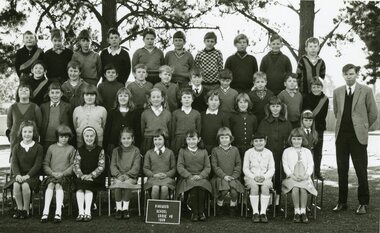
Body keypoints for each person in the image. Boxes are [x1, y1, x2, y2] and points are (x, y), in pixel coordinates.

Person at [332, 64, 378, 215]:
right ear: (343, 75)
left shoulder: (366, 90)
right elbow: (337, 112)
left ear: (356, 74)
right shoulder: (337, 91)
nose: (348, 76)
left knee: (360, 170)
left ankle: (363, 203)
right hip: (341, 137)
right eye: (346, 74)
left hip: (358, 137)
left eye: (351, 74)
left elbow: (373, 113)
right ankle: (342, 202)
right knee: (342, 170)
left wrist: (363, 127)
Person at [257, 96, 292, 211]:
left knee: (279, 177)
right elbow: (261, 139)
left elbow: (289, 140)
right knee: (268, 177)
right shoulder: (264, 122)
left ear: (281, 107)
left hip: (281, 155)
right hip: (267, 155)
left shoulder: (286, 122)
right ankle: (268, 201)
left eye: (277, 106)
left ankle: (277, 203)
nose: (275, 109)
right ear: (269, 108)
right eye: (273, 106)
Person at [41, 125, 75, 223]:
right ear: (58, 137)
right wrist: (51, 172)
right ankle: (45, 211)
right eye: (61, 137)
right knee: (51, 184)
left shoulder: (71, 149)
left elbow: (73, 165)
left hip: (65, 177)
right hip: (52, 175)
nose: (64, 139)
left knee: (59, 185)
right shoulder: (51, 148)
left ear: (69, 137)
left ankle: (58, 212)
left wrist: (63, 173)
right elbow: (45, 163)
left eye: (66, 137)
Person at [282, 128, 317, 223]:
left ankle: (303, 212)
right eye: (294, 139)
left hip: (304, 177)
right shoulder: (287, 151)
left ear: (303, 140)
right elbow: (285, 165)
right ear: (291, 139)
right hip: (291, 178)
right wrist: (291, 175)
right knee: (296, 188)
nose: (296, 141)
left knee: (303, 188)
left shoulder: (307, 151)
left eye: (299, 139)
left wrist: (306, 176)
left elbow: (311, 165)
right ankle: (297, 212)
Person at [176, 130, 212, 222]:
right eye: (189, 139)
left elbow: (207, 167)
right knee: (193, 187)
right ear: (186, 140)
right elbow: (180, 166)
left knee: (201, 187)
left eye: (193, 139)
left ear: (199, 139)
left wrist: (201, 175)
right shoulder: (182, 151)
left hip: (201, 177)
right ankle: (194, 213)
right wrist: (189, 175)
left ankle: (201, 212)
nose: (191, 141)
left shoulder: (203, 151)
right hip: (187, 177)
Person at [10, 120, 43, 219]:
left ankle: (26, 210)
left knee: (25, 185)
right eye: (25, 132)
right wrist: (18, 175)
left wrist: (27, 176)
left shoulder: (38, 147)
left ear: (34, 133)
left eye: (30, 132)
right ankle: (19, 209)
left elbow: (37, 165)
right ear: (21, 132)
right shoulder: (16, 147)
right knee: (16, 184)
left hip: (32, 176)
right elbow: (14, 163)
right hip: (19, 175)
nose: (27, 134)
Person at [73, 126, 105, 222]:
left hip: (95, 178)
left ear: (95, 137)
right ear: (83, 137)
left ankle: (87, 212)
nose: (89, 138)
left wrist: (91, 175)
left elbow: (101, 166)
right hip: (81, 177)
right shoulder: (79, 150)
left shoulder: (100, 150)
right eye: (87, 136)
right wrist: (82, 175)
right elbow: (76, 165)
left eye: (92, 136)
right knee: (80, 187)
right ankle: (81, 212)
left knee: (88, 187)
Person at [109, 127, 141, 219]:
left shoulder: (136, 150)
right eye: (124, 138)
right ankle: (119, 209)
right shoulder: (116, 151)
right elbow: (113, 166)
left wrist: (127, 175)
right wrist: (118, 175)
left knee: (126, 184)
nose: (126, 140)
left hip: (130, 177)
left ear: (132, 139)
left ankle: (125, 209)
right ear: (120, 139)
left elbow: (136, 166)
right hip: (118, 177)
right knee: (119, 184)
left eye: (128, 138)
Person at [211, 127, 244, 214]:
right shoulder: (215, 150)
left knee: (234, 192)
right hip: (220, 177)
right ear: (219, 139)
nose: (224, 140)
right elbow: (215, 166)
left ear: (230, 139)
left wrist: (233, 176)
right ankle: (219, 204)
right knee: (224, 190)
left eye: (226, 138)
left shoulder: (235, 150)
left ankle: (233, 206)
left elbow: (238, 165)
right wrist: (224, 176)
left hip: (233, 177)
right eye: (222, 138)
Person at [243, 134, 275, 223]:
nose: (258, 143)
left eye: (261, 141)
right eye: (256, 141)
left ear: (265, 141)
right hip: (251, 178)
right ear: (252, 142)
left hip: (265, 178)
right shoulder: (248, 152)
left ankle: (263, 213)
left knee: (265, 187)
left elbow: (272, 168)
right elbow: (245, 168)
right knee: (254, 187)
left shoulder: (269, 153)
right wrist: (254, 177)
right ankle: (255, 212)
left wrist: (264, 177)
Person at [302, 77, 329, 180]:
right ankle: (306, 172)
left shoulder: (325, 99)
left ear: (321, 87)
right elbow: (305, 111)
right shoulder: (306, 97)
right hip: (307, 126)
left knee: (318, 152)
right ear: (311, 87)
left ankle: (317, 172)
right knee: (306, 150)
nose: (316, 89)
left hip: (319, 127)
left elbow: (324, 114)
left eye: (318, 86)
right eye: (314, 87)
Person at [6, 84, 42, 154]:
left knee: (30, 158)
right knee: (15, 159)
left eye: (26, 90)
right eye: (21, 90)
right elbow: (9, 125)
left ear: (30, 93)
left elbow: (39, 124)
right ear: (17, 93)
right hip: (15, 138)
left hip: (31, 138)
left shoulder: (35, 107)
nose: (24, 91)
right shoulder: (12, 108)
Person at [104, 87, 140, 155]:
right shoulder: (112, 112)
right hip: (114, 144)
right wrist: (106, 145)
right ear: (117, 98)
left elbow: (137, 131)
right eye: (120, 96)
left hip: (129, 144)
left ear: (129, 98)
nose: (123, 98)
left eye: (125, 96)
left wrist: (137, 145)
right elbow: (107, 130)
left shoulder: (135, 112)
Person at [40, 82, 73, 152]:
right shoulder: (43, 107)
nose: (55, 95)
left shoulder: (67, 106)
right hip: (46, 140)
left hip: (61, 140)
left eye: (57, 93)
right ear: (48, 94)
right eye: (52, 93)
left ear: (61, 94)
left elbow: (71, 123)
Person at [143, 129, 176, 200]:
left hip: (166, 178)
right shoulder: (149, 153)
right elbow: (145, 168)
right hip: (153, 178)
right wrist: (153, 175)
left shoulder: (170, 153)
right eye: (155, 139)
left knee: (164, 188)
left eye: (160, 139)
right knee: (155, 188)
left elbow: (173, 168)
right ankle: (154, 210)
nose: (157, 142)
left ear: (164, 140)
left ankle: (163, 209)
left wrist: (166, 175)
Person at [140, 88, 171, 155]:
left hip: (163, 141)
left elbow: (170, 129)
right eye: (153, 97)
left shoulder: (168, 113)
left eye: (158, 97)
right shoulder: (145, 113)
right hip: (148, 141)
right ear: (150, 100)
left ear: (162, 99)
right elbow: (142, 130)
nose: (156, 99)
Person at [170, 89, 201, 155]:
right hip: (179, 140)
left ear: (192, 100)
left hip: (191, 140)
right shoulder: (175, 113)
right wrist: (173, 142)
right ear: (181, 100)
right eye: (184, 97)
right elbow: (173, 129)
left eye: (189, 97)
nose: (187, 99)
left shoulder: (196, 113)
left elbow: (198, 129)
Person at [229, 93, 258, 158]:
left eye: (245, 102)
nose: (243, 104)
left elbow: (255, 131)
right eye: (240, 102)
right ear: (237, 104)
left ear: (249, 103)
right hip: (236, 147)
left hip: (250, 147)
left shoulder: (253, 117)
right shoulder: (233, 117)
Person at [201, 90, 229, 154]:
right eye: (211, 100)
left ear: (219, 102)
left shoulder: (223, 116)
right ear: (207, 102)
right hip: (203, 147)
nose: (213, 103)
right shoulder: (201, 115)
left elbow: (226, 132)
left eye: (216, 100)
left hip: (218, 148)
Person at [299, 110, 319, 177]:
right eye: (306, 120)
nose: (308, 122)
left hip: (310, 157)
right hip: (300, 157)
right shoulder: (299, 132)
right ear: (302, 121)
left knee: (309, 172)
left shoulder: (314, 133)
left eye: (310, 120)